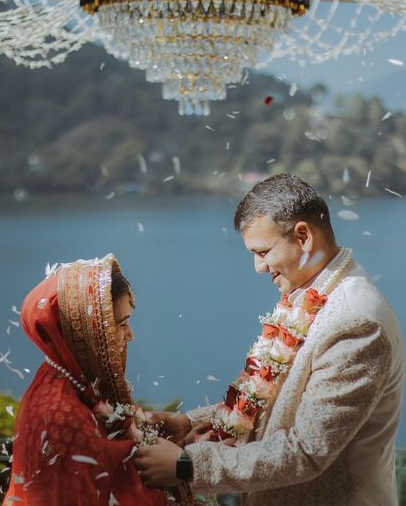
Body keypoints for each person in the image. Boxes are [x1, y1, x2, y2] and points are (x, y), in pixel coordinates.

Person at [134, 173, 404, 506]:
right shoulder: (311, 292)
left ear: (303, 236)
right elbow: (272, 404)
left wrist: (186, 466)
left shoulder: (355, 321)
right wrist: (192, 422)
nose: (258, 267)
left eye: (263, 252)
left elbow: (306, 451)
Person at [4, 254, 168, 506]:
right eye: (121, 324)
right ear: (90, 331)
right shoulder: (60, 417)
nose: (131, 336)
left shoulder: (82, 383)